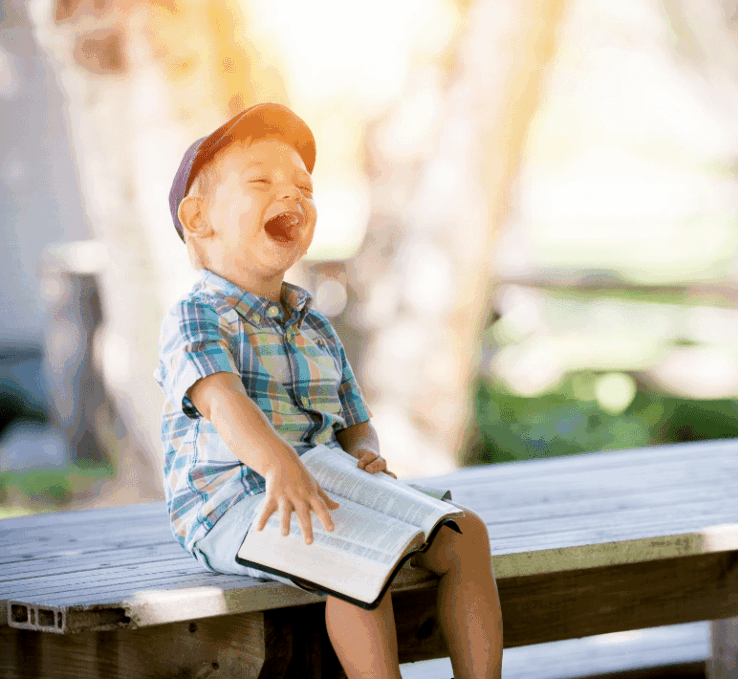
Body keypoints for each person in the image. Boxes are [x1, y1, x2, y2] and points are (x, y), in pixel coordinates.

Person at [154, 103, 503, 679]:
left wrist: (365, 450)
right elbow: (224, 402)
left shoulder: (313, 322)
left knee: (466, 534)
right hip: (235, 505)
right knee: (354, 557)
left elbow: (352, 416)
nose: (291, 196)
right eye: (262, 182)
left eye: (304, 188)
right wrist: (280, 466)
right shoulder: (197, 316)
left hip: (323, 482)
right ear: (199, 218)